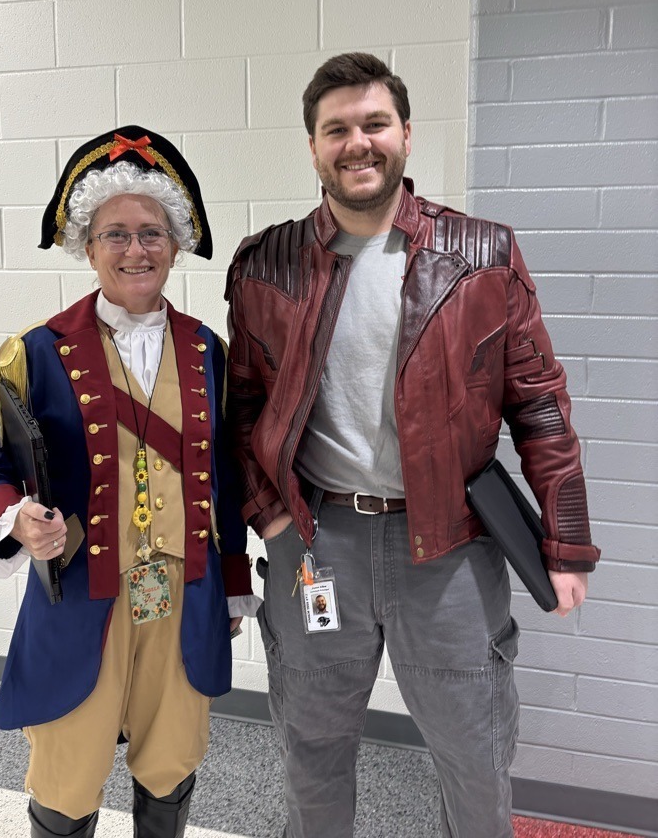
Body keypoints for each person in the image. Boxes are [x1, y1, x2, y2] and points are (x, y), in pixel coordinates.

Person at [225, 54, 600, 838]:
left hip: (452, 547)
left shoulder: (482, 258)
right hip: (318, 544)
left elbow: (540, 405)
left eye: (374, 124)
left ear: (404, 134)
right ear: (312, 145)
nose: (357, 143)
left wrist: (565, 544)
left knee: (474, 750)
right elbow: (243, 411)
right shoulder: (265, 265)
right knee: (313, 746)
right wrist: (271, 520)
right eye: (337, 129)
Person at [0, 126, 253, 838]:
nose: (135, 250)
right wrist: (17, 519)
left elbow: (229, 473)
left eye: (151, 233)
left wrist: (237, 576)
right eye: (115, 234)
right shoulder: (32, 350)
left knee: (173, 760)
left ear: (176, 244)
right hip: (81, 596)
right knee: (68, 767)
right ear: (87, 247)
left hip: (182, 595)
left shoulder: (209, 351)